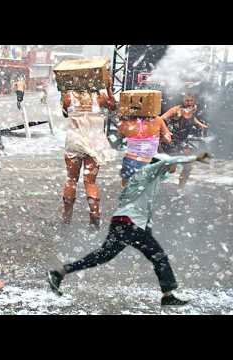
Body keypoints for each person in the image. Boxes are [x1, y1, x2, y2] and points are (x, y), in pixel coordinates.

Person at [47, 152, 211, 306]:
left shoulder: (146, 178)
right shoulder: (149, 171)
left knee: (104, 255)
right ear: (160, 165)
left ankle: (60, 272)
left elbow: (141, 204)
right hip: (129, 224)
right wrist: (195, 157)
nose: (172, 170)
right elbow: (168, 162)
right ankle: (168, 296)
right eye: (169, 168)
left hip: (123, 223)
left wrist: (147, 231)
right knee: (158, 257)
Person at [60, 78, 116, 229]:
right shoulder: (100, 97)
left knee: (71, 179)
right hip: (95, 142)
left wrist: (64, 91)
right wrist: (109, 88)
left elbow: (65, 114)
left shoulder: (68, 97)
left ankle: (66, 217)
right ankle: (94, 215)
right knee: (90, 181)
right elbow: (113, 107)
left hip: (74, 140)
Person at [160, 94, 209, 188]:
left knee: (188, 166)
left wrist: (201, 125)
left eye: (191, 100)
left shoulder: (193, 109)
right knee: (171, 168)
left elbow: (192, 119)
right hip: (171, 141)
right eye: (187, 100)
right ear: (183, 100)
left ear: (194, 101)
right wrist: (165, 132)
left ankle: (181, 188)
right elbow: (160, 119)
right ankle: (156, 180)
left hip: (182, 142)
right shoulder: (176, 110)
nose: (189, 103)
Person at [118, 110, 172, 187]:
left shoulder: (127, 121)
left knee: (126, 184)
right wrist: (158, 137)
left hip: (131, 160)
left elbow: (120, 135)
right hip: (151, 160)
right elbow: (168, 139)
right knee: (150, 185)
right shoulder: (158, 120)